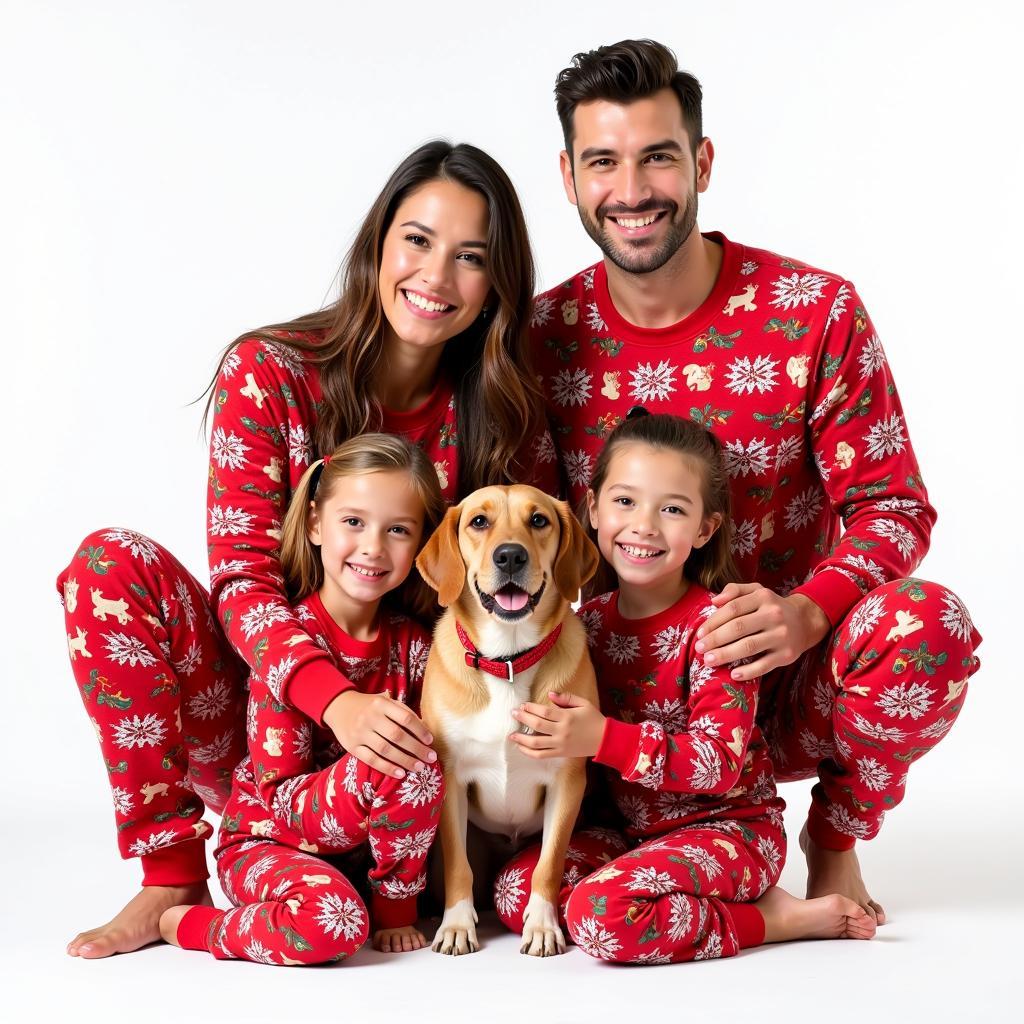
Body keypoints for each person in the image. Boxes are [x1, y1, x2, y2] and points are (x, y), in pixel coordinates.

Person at [58, 140, 557, 958]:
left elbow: (520, 592)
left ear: (497, 283)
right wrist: (333, 700)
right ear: (377, 243)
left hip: (420, 731)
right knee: (108, 568)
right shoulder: (273, 372)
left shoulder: (499, 411)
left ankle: (414, 873)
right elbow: (242, 583)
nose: (436, 277)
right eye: (418, 240)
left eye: (472, 258)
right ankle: (173, 878)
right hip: (267, 726)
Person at [530, 39, 982, 923]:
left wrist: (807, 609)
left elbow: (893, 505)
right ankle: (619, 844)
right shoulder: (542, 340)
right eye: (603, 163)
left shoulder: (814, 312)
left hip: (782, 685)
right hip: (619, 702)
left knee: (929, 627)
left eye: (658, 156)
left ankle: (833, 836)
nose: (631, 190)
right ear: (569, 176)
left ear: (700, 161)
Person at [497, 411, 875, 963]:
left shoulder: (720, 627)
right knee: (518, 896)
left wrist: (602, 737)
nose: (645, 525)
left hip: (729, 830)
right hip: (631, 835)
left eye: (672, 509)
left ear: (704, 529)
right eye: (625, 502)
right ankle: (651, 890)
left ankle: (774, 919)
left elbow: (719, 763)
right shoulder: (587, 624)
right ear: (593, 509)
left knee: (600, 917)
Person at [160, 435, 445, 965]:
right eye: (353, 522)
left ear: (422, 544)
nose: (373, 547)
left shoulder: (418, 647)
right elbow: (282, 791)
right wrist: (371, 777)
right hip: (268, 841)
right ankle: (199, 927)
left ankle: (388, 901)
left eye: (398, 530)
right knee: (333, 927)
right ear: (315, 523)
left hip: (364, 859)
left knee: (420, 761)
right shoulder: (288, 645)